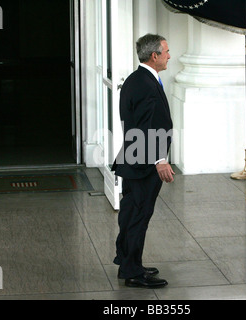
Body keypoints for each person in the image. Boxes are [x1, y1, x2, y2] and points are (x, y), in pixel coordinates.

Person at [111, 34, 175, 288]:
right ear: (154, 56)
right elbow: (147, 127)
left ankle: (128, 262)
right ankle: (132, 272)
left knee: (130, 213)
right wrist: (160, 160)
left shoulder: (140, 79)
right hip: (143, 163)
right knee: (138, 215)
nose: (170, 55)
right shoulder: (145, 84)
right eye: (167, 51)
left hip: (135, 158)